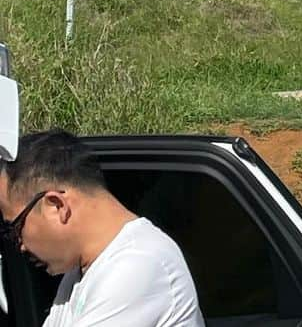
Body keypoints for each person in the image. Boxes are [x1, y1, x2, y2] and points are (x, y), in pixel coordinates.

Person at [0, 129, 204, 327]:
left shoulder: (139, 263)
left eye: (15, 228)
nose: (21, 246)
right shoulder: (81, 272)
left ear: (57, 206)